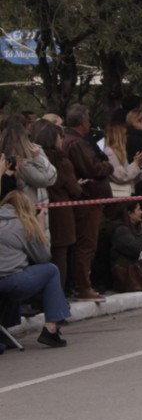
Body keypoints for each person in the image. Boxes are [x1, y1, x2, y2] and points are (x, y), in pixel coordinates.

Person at [0, 191, 72, 347]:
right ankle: (51, 329)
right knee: (51, 270)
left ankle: (4, 330)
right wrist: (41, 229)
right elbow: (43, 257)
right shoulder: (24, 224)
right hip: (13, 281)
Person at [63, 103, 114, 302]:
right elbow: (93, 168)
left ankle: (79, 284)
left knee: (81, 245)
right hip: (86, 199)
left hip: (80, 199)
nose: (90, 122)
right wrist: (107, 165)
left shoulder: (70, 140)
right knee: (86, 244)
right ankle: (83, 286)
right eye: (89, 118)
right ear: (83, 121)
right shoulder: (77, 143)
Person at [35, 123, 82, 292]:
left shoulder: (35, 160)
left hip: (42, 211)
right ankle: (58, 295)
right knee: (61, 255)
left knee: (44, 255)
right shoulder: (61, 160)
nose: (62, 141)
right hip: (62, 213)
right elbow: (74, 189)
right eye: (60, 138)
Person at [105, 121, 142, 198]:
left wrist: (138, 164)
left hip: (126, 193)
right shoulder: (108, 151)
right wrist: (135, 164)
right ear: (118, 136)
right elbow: (120, 176)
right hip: (117, 195)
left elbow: (131, 178)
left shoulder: (120, 152)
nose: (126, 137)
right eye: (124, 134)